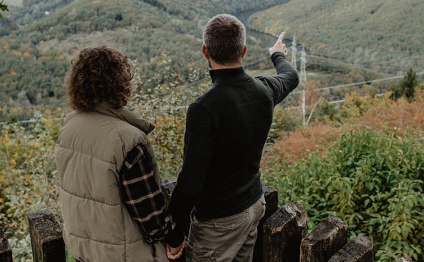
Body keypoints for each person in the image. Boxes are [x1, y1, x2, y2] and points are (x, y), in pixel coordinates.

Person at [165, 14, 299, 261]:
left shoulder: (204, 108)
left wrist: (175, 233)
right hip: (254, 205)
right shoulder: (264, 90)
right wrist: (277, 54)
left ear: (205, 51)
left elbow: (190, 182)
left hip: (219, 221)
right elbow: (291, 77)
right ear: (244, 51)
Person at [56, 45, 177, 262]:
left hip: (84, 252)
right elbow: (151, 218)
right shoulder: (127, 140)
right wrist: (174, 235)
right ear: (120, 82)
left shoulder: (69, 128)